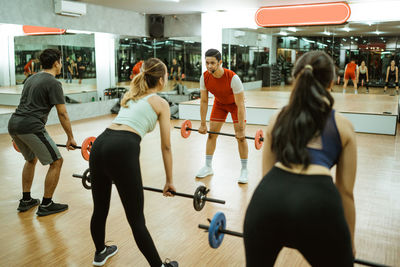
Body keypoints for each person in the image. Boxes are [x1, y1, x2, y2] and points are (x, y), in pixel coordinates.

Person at [243, 51, 357, 267]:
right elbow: (346, 192)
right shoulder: (343, 126)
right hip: (319, 206)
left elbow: (267, 175)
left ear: (295, 80)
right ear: (332, 82)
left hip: (266, 202)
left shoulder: (276, 118)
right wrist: (348, 241)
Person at [88, 58, 178, 267]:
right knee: (136, 219)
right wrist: (169, 180)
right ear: (162, 80)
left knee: (100, 209)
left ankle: (100, 252)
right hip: (122, 149)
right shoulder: (160, 102)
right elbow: (166, 146)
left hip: (100, 144)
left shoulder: (131, 96)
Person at [8, 48, 77, 216]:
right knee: (57, 161)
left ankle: (26, 200)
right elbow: (62, 113)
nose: (62, 65)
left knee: (31, 159)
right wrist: (70, 138)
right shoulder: (53, 83)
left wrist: (19, 135)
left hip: (14, 124)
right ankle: (46, 204)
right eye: (61, 62)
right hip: (31, 126)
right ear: (56, 63)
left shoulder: (31, 78)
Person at [196, 48, 248, 184]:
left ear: (220, 62)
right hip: (219, 104)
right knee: (212, 135)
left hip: (235, 105)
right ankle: (208, 166)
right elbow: (204, 101)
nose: (209, 66)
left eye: (212, 63)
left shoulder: (233, 78)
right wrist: (202, 123)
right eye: (207, 62)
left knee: (241, 138)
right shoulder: (204, 77)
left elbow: (241, 105)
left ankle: (244, 169)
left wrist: (242, 128)